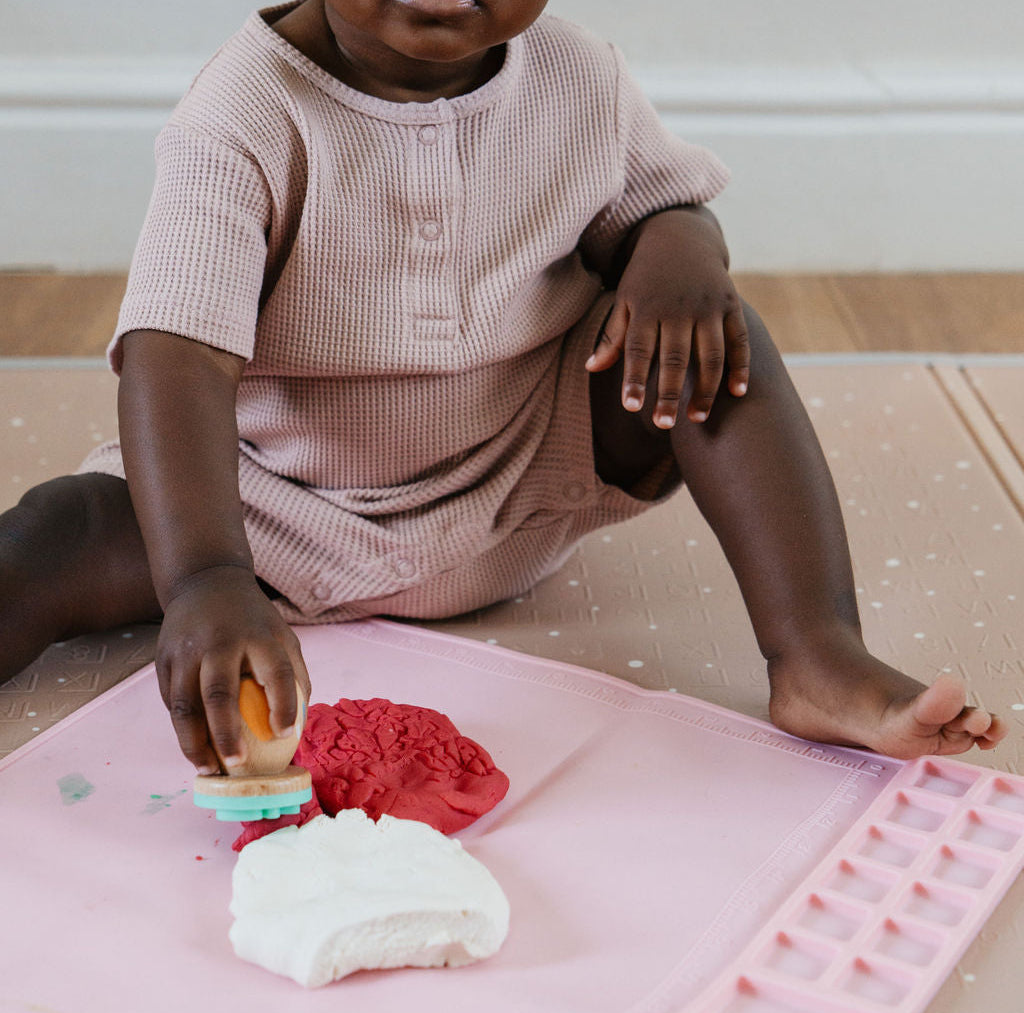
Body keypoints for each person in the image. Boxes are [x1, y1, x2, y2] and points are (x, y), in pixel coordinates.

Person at [0, 0, 1005, 771]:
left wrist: (678, 250)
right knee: (52, 538)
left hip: (521, 482)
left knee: (712, 330)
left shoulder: (577, 76)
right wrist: (205, 577)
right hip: (267, 511)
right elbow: (177, 356)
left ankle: (816, 650)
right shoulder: (244, 114)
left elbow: (664, 207)